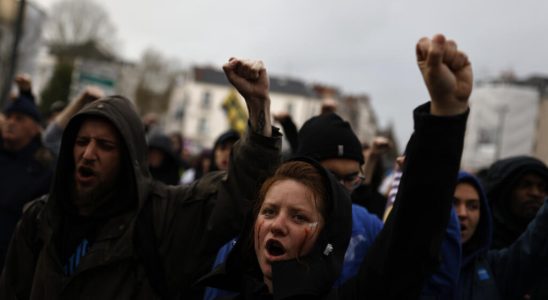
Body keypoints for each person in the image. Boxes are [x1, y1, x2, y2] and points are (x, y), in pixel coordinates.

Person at [200, 33, 472, 299]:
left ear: (327, 232)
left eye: (299, 217)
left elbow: (407, 245)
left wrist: (445, 117)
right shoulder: (227, 283)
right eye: (269, 211)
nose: (278, 225)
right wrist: (259, 108)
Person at [0, 58, 282, 299]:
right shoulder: (39, 219)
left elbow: (235, 193)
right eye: (81, 141)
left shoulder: (161, 216)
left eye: (105, 146)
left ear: (128, 157)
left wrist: (259, 109)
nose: (88, 154)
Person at [454, 171, 548, 299]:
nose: (463, 213)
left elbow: (535, 241)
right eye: (453, 203)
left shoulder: (492, 267)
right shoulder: (420, 268)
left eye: (473, 206)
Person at [0, 75, 55, 271]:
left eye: (19, 119)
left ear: (34, 128)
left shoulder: (42, 172)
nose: (10, 123)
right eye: (9, 117)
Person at [482, 156, 548, 298]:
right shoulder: (480, 242)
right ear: (505, 191)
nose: (535, 193)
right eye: (526, 185)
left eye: (542, 187)